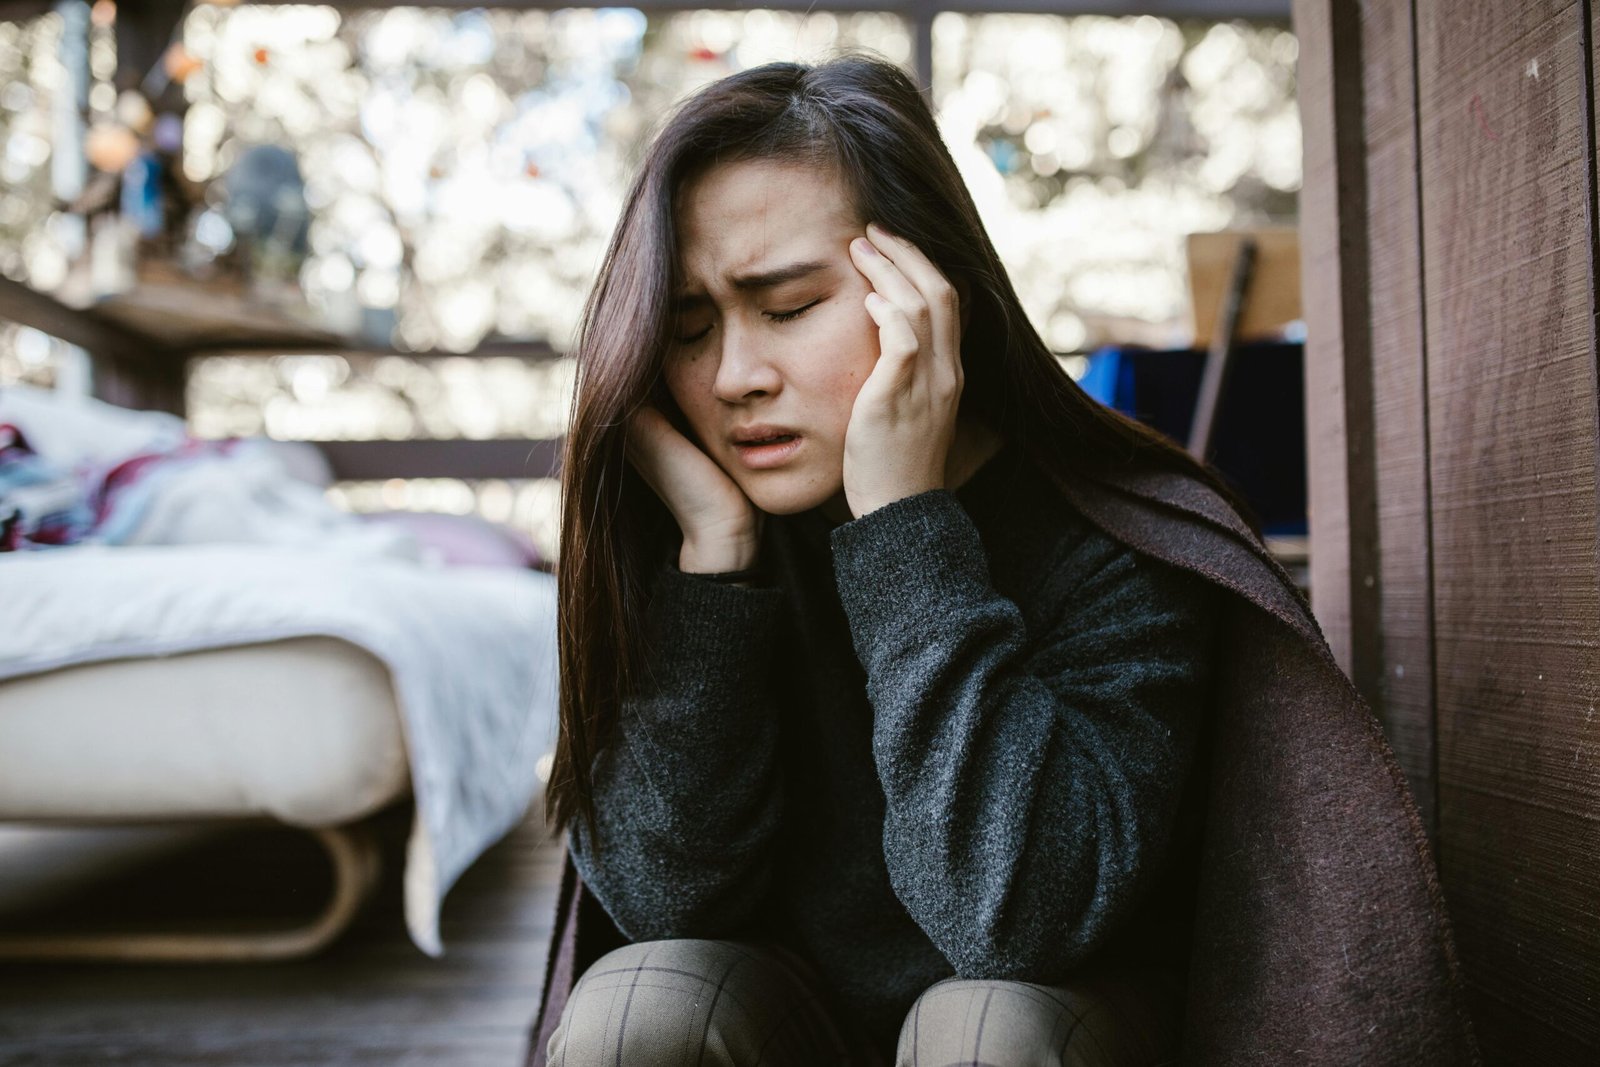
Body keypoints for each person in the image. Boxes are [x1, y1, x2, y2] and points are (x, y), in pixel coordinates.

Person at [536, 54, 1476, 1067]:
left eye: (788, 307)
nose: (731, 376)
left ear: (931, 297)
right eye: (685, 327)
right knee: (640, 1003)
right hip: (797, 1018)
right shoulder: (688, 533)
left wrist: (904, 523)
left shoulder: (1119, 545)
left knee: (988, 1024)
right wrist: (712, 570)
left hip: (1062, 1030)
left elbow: (1013, 920)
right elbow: (659, 900)